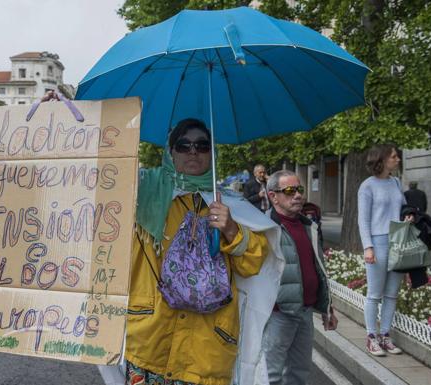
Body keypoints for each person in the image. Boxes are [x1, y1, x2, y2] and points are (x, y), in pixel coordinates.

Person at [127, 118, 271, 385]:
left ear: (212, 154)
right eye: (184, 145)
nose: (193, 152)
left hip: (205, 351)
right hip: (149, 343)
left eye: (202, 146)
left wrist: (230, 230)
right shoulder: (141, 194)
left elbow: (254, 263)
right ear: (170, 153)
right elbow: (94, 181)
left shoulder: (230, 205)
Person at [262, 170, 337, 385]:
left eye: (299, 189)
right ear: (273, 196)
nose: (298, 195)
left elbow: (318, 268)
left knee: (299, 373)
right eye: (289, 190)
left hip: (305, 312)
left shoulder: (308, 225)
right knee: (271, 375)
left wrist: (326, 306)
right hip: (278, 314)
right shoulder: (264, 227)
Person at [358, 144, 408, 356]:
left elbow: (403, 207)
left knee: (391, 294)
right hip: (378, 242)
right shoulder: (367, 186)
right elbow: (363, 220)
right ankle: (371, 337)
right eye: (394, 156)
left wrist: (408, 217)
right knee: (375, 294)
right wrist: (368, 247)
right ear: (382, 159)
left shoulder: (396, 182)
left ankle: (385, 335)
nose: (398, 159)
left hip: (398, 239)